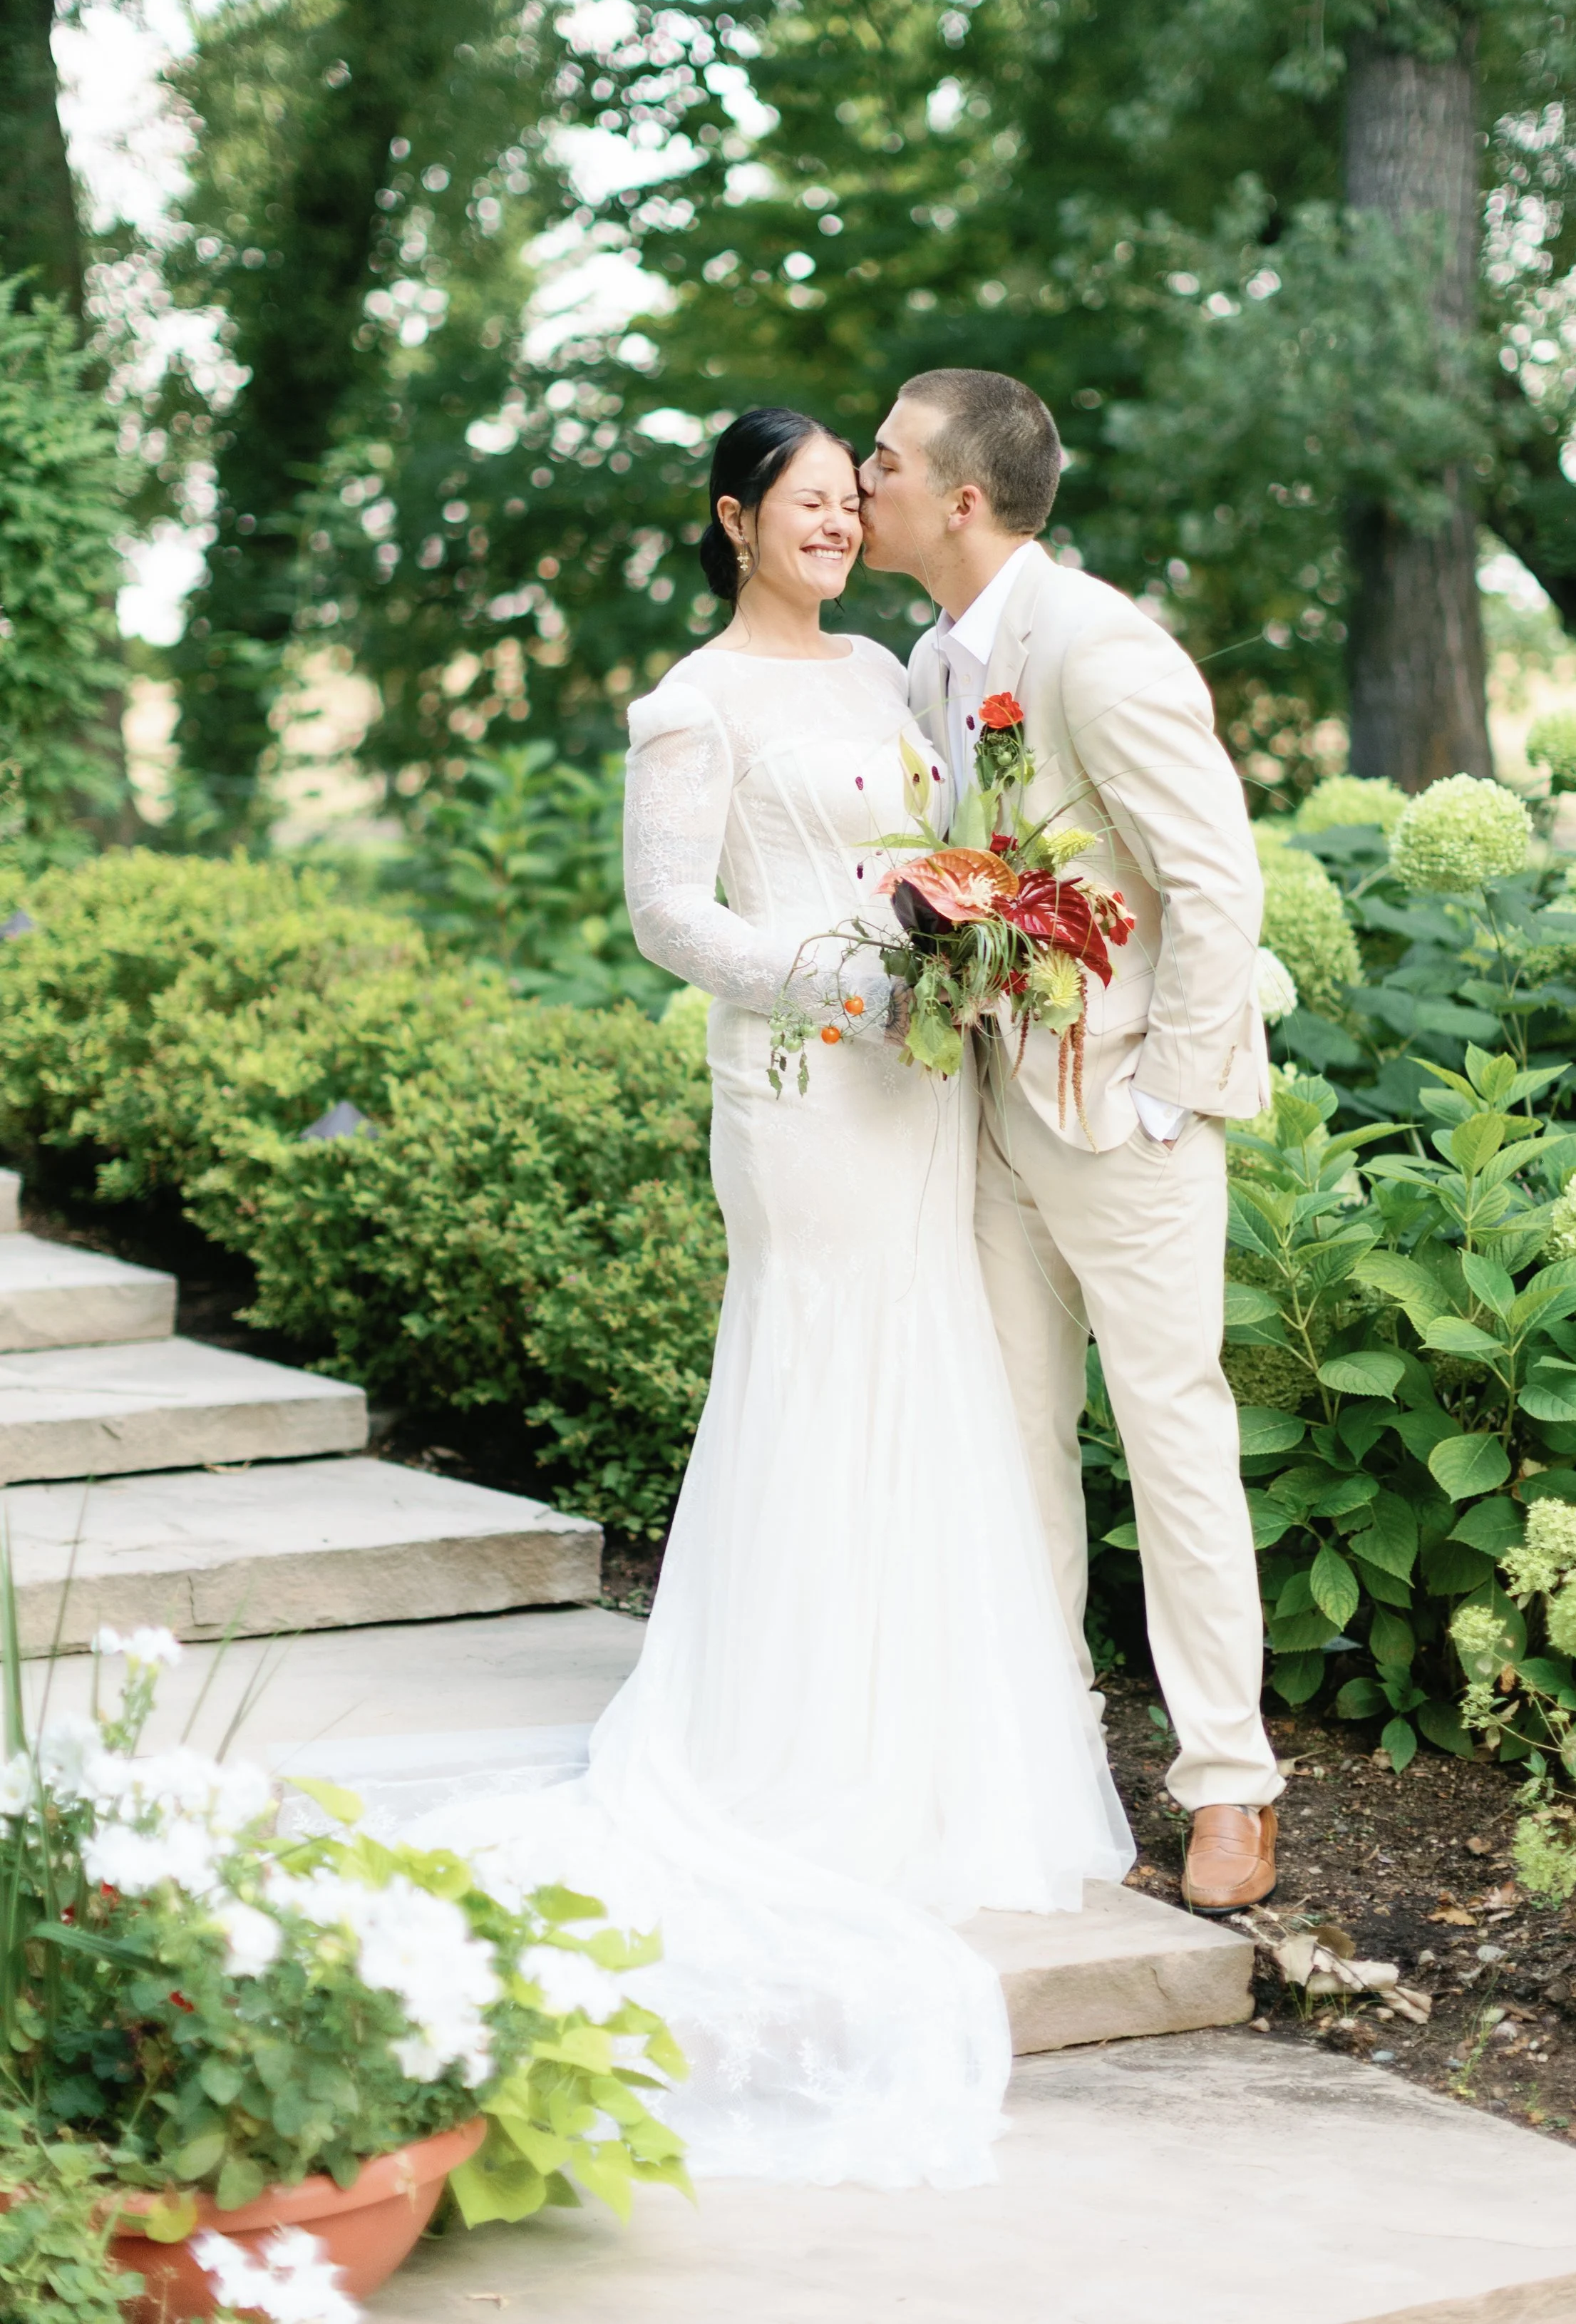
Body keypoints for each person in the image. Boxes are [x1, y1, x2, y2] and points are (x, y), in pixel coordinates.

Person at [405, 406, 1132, 2190]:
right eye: (801, 504)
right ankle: (784, 1736)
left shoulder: (892, 670)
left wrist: (963, 942)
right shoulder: (690, 703)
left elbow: (952, 846)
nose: (830, 524)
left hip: (924, 1072)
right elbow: (667, 914)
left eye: (844, 502)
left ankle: (931, 1732)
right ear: (737, 521)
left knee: (934, 1364)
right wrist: (835, 978)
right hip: (801, 1090)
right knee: (817, 1363)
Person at [858, 369, 1284, 1915]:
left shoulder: (1098, 649)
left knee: (1170, 1432)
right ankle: (1045, 1762)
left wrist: (1166, 1096)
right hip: (985, 1111)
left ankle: (1228, 1783)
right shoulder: (927, 662)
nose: (861, 480)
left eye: (885, 461)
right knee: (1014, 1441)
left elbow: (1215, 884)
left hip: (1123, 1115)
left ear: (962, 501)